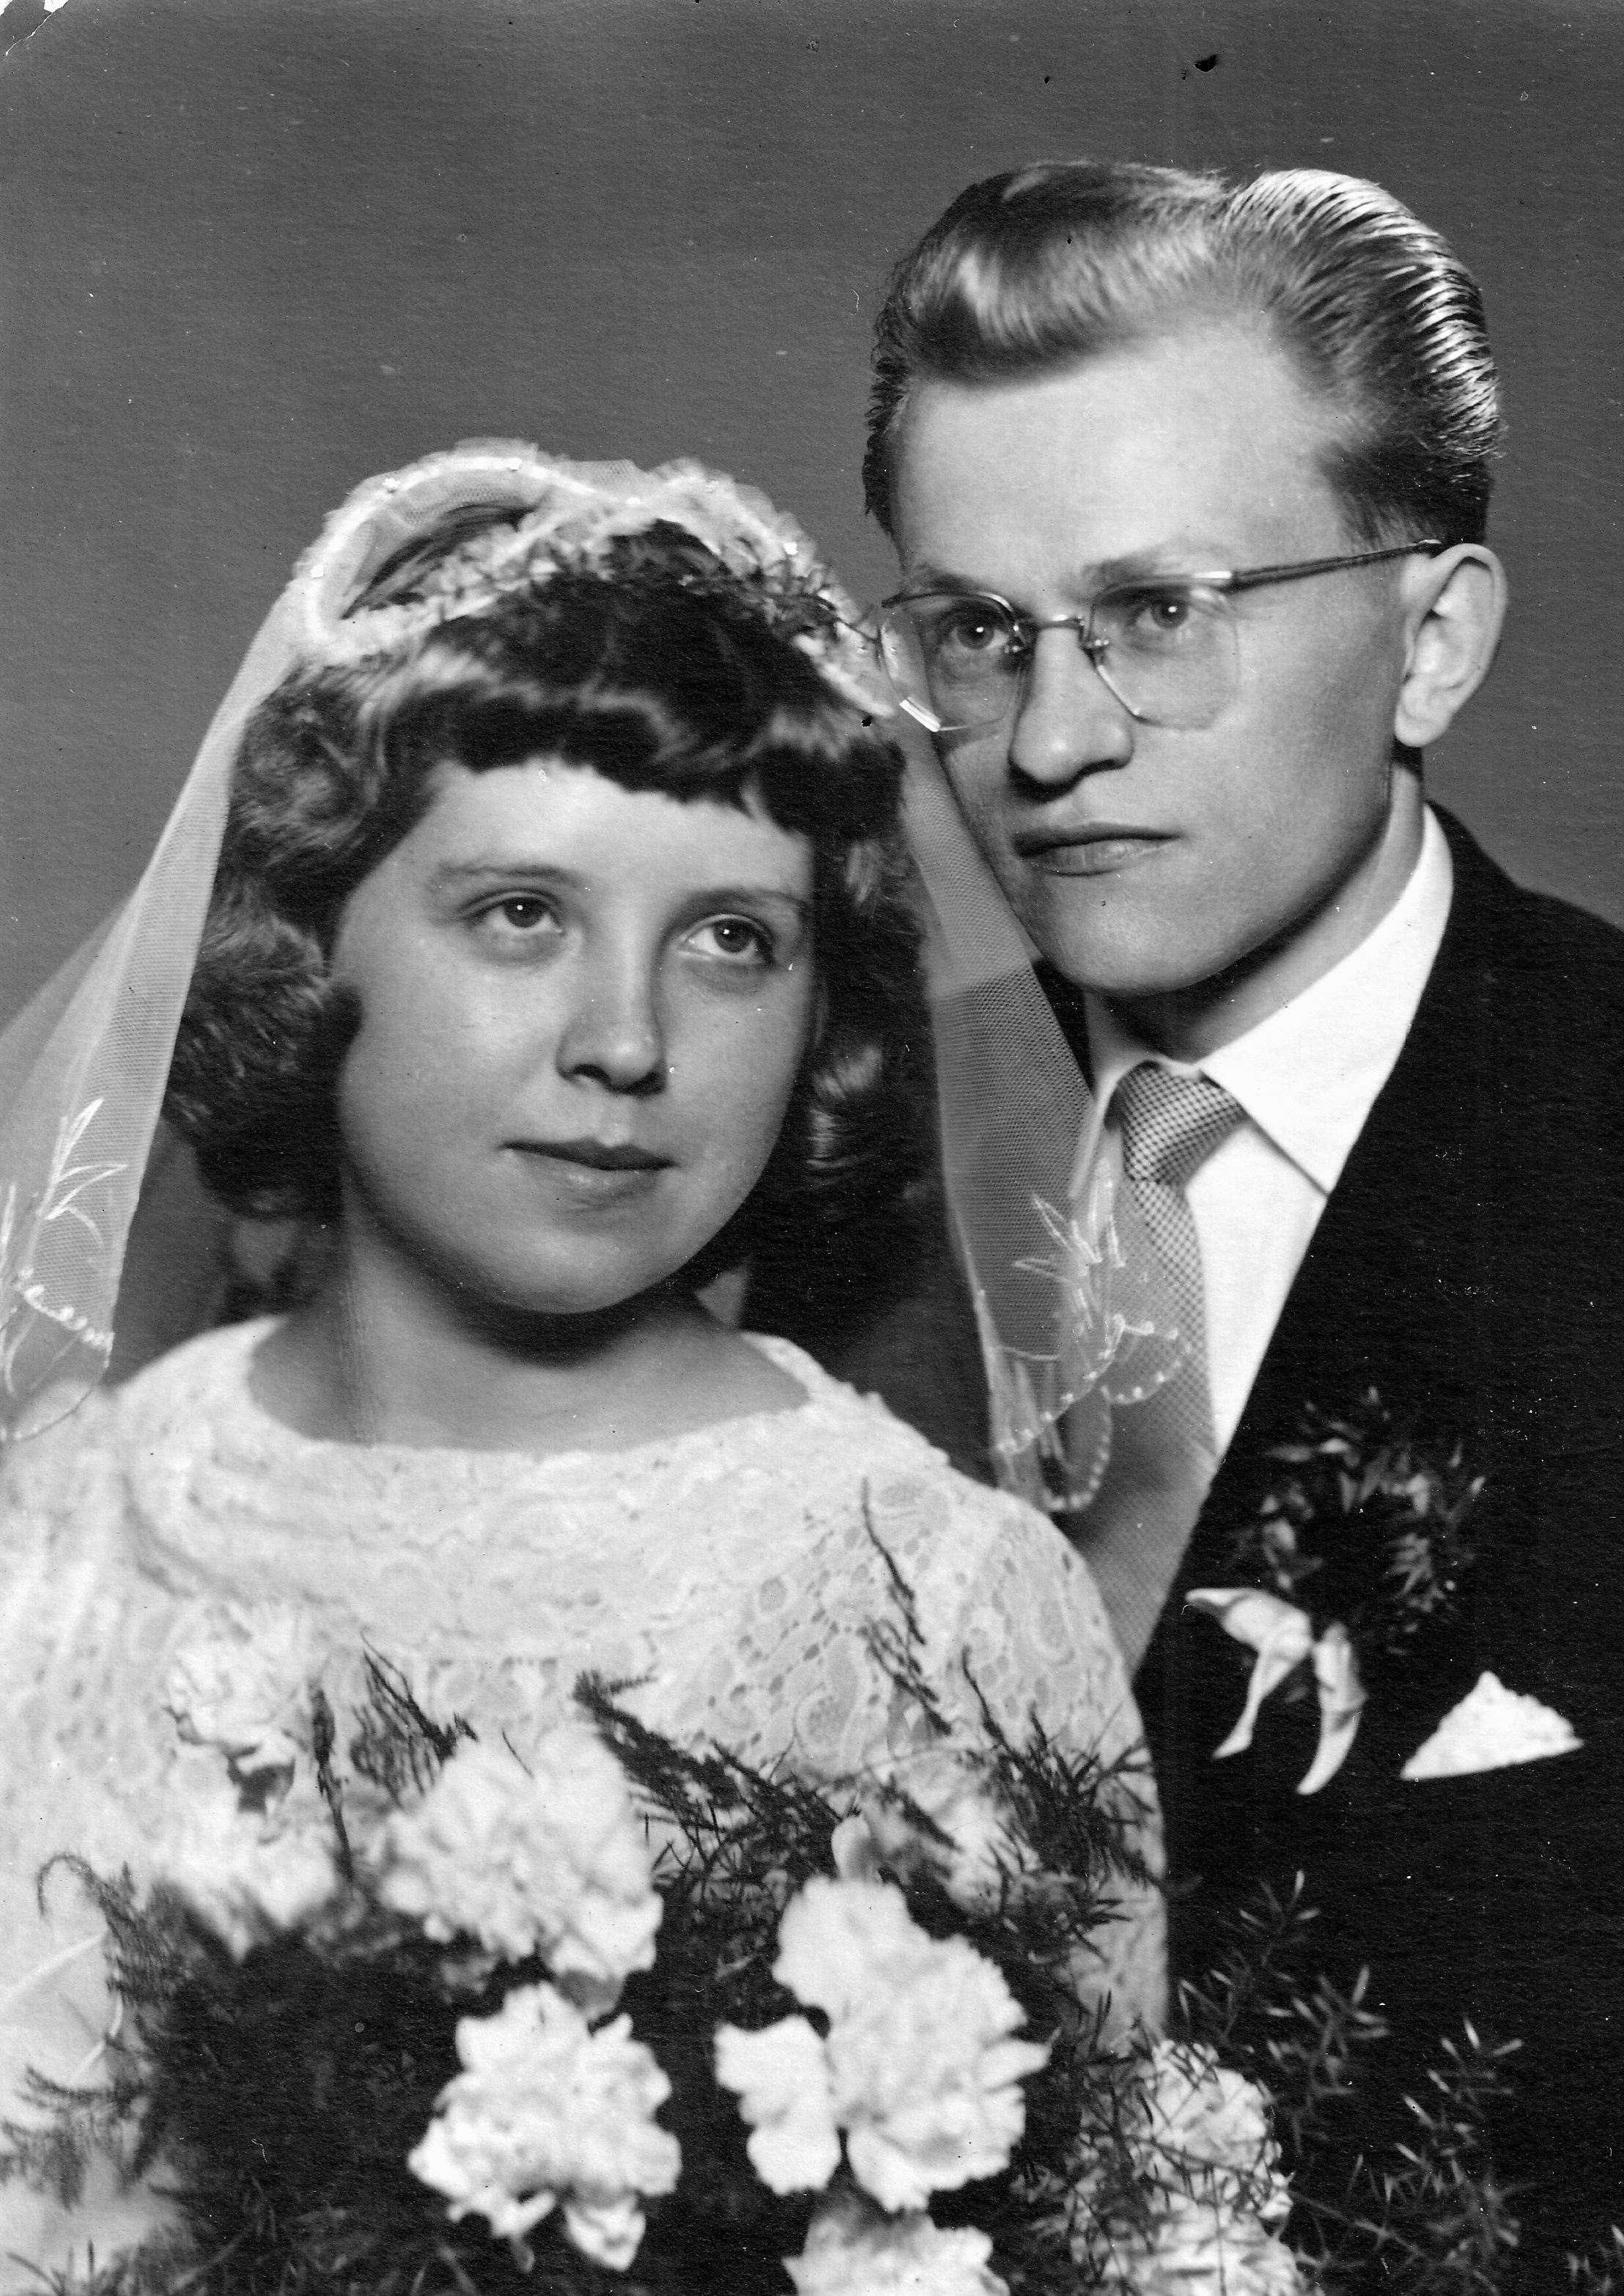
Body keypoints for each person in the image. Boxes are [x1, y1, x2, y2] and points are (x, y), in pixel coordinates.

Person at [0, 446, 1163, 2283]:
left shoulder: (940, 1605)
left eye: (732, 941)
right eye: (521, 915)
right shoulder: (57, 1529)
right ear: (303, 942)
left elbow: (1112, 2231)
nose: (626, 1040)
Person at [790, 158, 1624, 2273]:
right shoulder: (801, 1176)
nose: (1051, 741)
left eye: (1160, 612)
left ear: (1433, 640)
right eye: (979, 634)